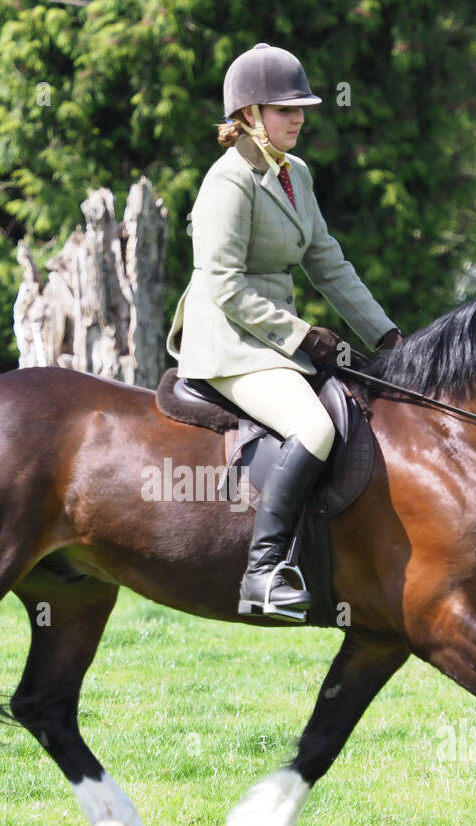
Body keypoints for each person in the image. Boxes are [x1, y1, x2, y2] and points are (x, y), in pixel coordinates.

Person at [166, 42, 403, 621]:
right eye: (283, 108)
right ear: (248, 115)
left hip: (272, 339)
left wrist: (387, 336)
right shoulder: (229, 182)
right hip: (229, 342)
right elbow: (222, 285)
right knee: (314, 427)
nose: (298, 117)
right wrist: (299, 335)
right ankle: (264, 572)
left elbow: (329, 263)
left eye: (302, 107)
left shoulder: (294, 173)